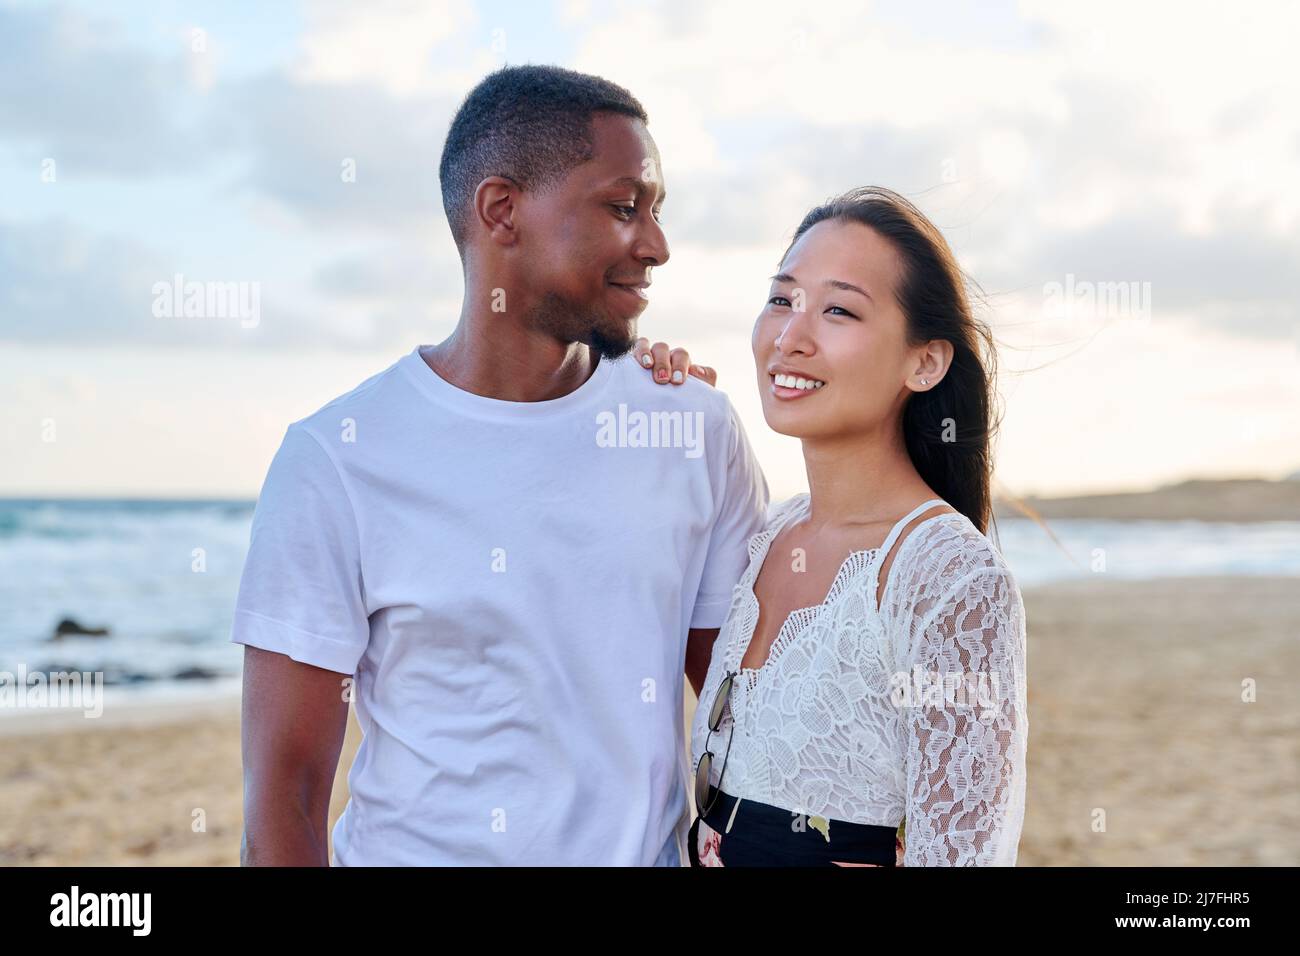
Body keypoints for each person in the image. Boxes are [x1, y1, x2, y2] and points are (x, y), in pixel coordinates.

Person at [232, 64, 770, 866]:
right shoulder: (335, 460)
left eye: (656, 213)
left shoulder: (692, 429)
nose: (655, 246)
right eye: (624, 208)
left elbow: (747, 725)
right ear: (502, 211)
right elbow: (286, 797)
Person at [634, 186, 1028, 866]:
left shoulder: (948, 577)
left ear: (925, 361)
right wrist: (656, 413)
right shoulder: (769, 538)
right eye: (782, 299)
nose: (790, 337)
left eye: (840, 310)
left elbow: (961, 854)